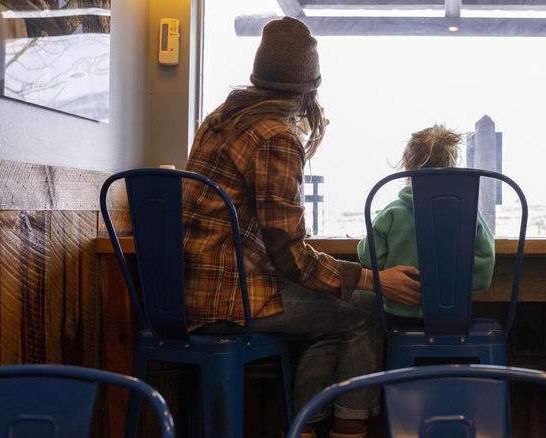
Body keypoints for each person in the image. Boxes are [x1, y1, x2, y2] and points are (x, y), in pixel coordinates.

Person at [181, 17, 421, 438]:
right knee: (364, 312)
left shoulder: (220, 118)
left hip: (189, 292)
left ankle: (306, 428)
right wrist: (373, 279)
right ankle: (348, 431)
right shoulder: (275, 136)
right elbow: (290, 255)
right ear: (309, 87)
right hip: (230, 302)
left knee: (335, 310)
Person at [357, 125, 495, 328]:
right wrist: (451, 289)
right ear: (451, 170)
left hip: (398, 317)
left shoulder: (392, 213)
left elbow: (368, 256)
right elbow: (485, 265)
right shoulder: (469, 213)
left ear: (406, 167)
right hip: (454, 318)